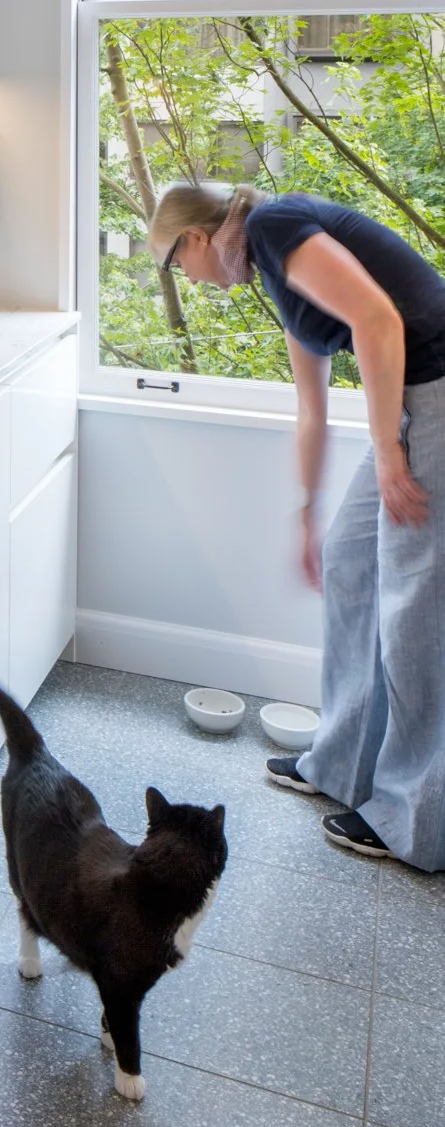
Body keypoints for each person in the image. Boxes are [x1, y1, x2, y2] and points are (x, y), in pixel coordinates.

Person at [147, 181, 445, 870]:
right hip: (409, 400)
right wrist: (306, 514)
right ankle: (339, 764)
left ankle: (413, 819)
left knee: (414, 604)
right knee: (348, 559)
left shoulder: (277, 224)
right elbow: (309, 412)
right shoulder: (274, 273)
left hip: (434, 392)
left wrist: (393, 451)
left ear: (195, 239)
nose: (184, 280)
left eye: (172, 264)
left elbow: (378, 322)